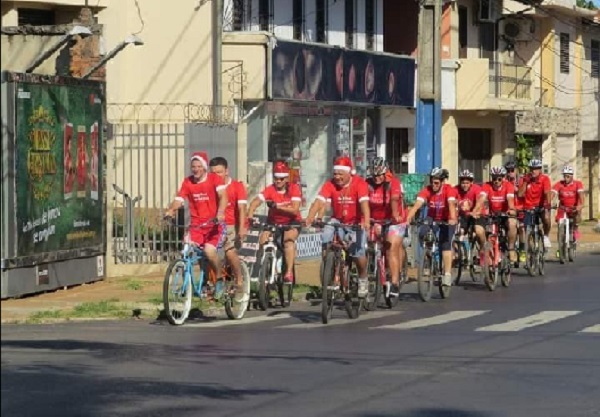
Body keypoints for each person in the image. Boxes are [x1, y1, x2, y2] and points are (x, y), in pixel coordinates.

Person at [305, 156, 371, 297]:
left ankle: (363, 278)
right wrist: (310, 217)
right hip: (338, 220)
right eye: (335, 174)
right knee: (326, 235)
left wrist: (365, 221)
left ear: (349, 173)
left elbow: (364, 204)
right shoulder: (330, 184)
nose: (337, 177)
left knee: (358, 252)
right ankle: (330, 267)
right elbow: (318, 201)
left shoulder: (360, 183)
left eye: (340, 174)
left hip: (355, 222)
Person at [164, 151, 228, 286]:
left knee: (209, 251)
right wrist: (171, 210)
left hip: (214, 225)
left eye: (199, 166)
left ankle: (219, 277)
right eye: (193, 166)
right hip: (196, 225)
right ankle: (196, 281)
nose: (196, 169)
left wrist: (220, 212)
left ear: (204, 167)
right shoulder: (188, 182)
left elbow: (223, 196)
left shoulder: (214, 179)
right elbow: (179, 199)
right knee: (187, 247)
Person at [247, 161, 302, 283]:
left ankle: (288, 273)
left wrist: (277, 206)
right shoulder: (270, 189)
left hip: (292, 222)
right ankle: (265, 267)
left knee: (288, 240)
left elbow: (294, 210)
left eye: (281, 179)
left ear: (287, 178)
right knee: (263, 239)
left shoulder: (294, 189)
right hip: (274, 222)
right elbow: (254, 203)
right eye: (276, 178)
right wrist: (250, 217)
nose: (278, 181)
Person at [405, 167, 458, 287]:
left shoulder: (449, 190)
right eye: (432, 181)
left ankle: (447, 275)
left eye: (436, 182)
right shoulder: (427, 190)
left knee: (445, 244)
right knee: (422, 232)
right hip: (432, 218)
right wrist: (408, 217)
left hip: (447, 219)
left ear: (442, 182)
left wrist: (453, 219)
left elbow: (451, 204)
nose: (433, 185)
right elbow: (417, 204)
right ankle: (428, 254)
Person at [366, 157, 407, 297]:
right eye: (374, 175)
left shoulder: (393, 183)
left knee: (390, 248)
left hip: (395, 220)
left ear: (385, 173)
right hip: (375, 219)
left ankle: (395, 283)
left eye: (379, 175)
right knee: (367, 243)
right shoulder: (368, 184)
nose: (376, 178)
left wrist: (395, 215)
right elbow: (361, 201)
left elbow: (395, 199)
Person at [209, 157, 248, 289]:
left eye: (219, 172)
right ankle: (211, 282)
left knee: (229, 252)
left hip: (232, 225)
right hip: (215, 224)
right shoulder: (210, 187)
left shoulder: (237, 186)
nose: (216, 176)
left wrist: (242, 228)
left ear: (227, 171)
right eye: (213, 173)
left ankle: (239, 278)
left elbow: (242, 208)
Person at [474, 166, 519, 262]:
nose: (496, 181)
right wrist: (475, 210)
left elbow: (510, 200)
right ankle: (487, 254)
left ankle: (511, 249)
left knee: (512, 223)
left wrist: (511, 209)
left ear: (503, 178)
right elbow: (481, 199)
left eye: (499, 178)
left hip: (505, 214)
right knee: (484, 231)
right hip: (493, 215)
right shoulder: (487, 185)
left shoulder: (508, 186)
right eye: (494, 178)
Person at [517, 159, 552, 249]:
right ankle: (530, 250)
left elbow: (547, 192)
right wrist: (525, 182)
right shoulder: (525, 179)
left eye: (536, 169)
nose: (533, 171)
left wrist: (547, 205)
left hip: (541, 206)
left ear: (540, 170)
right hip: (528, 207)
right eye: (532, 169)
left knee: (547, 219)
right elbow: (520, 194)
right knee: (525, 228)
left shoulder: (545, 179)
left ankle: (546, 236)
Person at [454, 169, 487, 259]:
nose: (465, 185)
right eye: (463, 182)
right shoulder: (456, 189)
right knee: (454, 232)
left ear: (471, 182)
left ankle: (483, 247)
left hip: (477, 214)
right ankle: (459, 254)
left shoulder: (476, 189)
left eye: (467, 183)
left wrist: (474, 211)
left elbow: (480, 202)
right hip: (463, 216)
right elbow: (451, 201)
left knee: (479, 231)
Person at [551, 165, 585, 245]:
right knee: (560, 225)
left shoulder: (578, 184)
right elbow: (552, 193)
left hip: (574, 208)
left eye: (568, 176)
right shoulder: (559, 184)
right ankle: (560, 245)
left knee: (576, 222)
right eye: (564, 176)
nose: (566, 178)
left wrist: (581, 205)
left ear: (572, 176)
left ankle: (575, 236)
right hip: (562, 208)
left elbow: (581, 195)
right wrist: (549, 202)